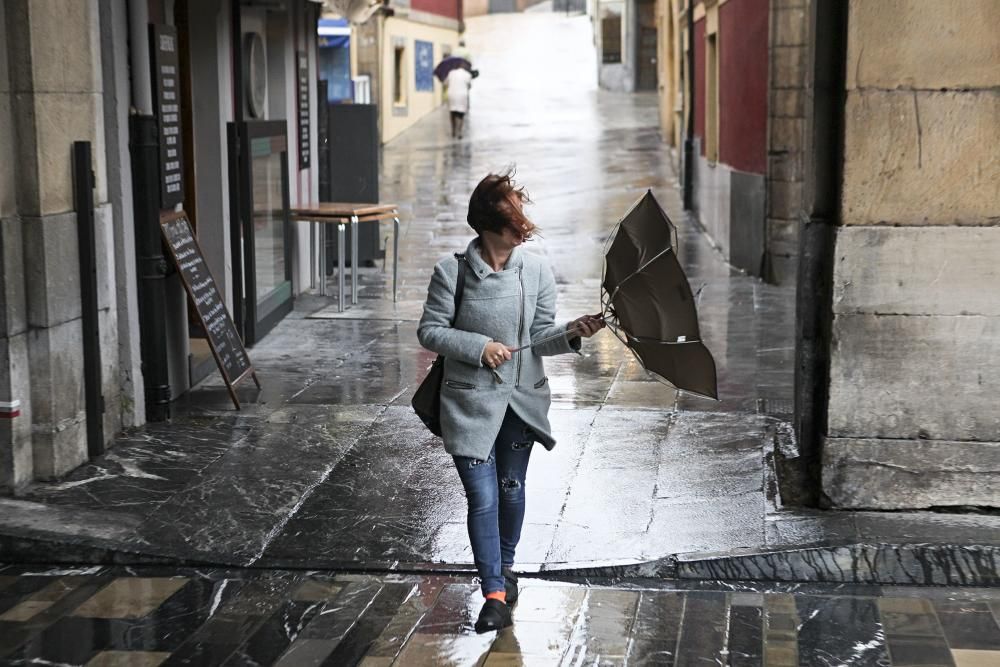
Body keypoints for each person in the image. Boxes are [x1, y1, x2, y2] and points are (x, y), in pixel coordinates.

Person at [417, 171, 605, 633]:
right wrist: (479, 347)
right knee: (481, 498)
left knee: (510, 490)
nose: (524, 222)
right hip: (468, 405)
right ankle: (494, 593)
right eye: (514, 211)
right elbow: (430, 331)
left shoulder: (536, 270)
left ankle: (504, 568)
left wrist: (572, 333)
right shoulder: (452, 271)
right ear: (490, 221)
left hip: (520, 404)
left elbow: (539, 338)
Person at [445, 65, 473, 139]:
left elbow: (446, 84)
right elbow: (469, 86)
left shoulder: (451, 73)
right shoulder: (467, 74)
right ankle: (459, 131)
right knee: (460, 114)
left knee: (452, 112)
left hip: (452, 94)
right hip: (462, 95)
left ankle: (453, 131)